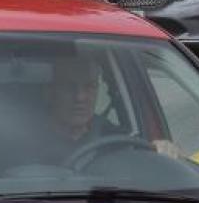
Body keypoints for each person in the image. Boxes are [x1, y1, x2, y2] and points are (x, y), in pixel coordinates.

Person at [33, 56, 182, 164]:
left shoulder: (115, 137)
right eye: (69, 87)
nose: (80, 97)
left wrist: (163, 150)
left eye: (89, 87)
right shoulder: (26, 138)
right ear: (49, 92)